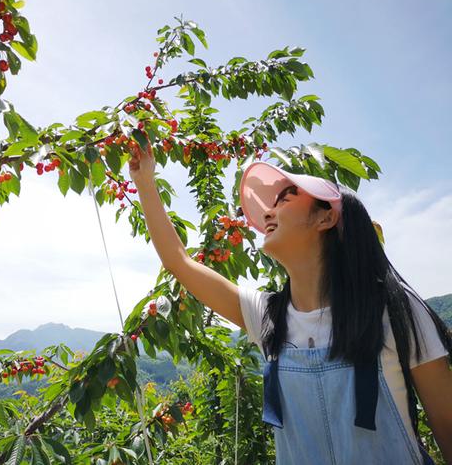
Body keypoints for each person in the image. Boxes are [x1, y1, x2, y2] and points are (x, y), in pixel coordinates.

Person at [128, 143, 452, 464]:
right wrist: (145, 182)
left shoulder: (393, 309)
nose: (268, 211)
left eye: (286, 198)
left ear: (325, 218)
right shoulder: (269, 316)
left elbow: (447, 425)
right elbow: (178, 262)